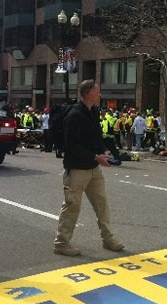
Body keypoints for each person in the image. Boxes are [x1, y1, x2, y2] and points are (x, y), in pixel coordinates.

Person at [54, 80, 124, 256]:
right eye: (97, 90)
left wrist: (103, 151)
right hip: (77, 168)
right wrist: (95, 157)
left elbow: (95, 137)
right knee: (72, 206)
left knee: (102, 204)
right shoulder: (74, 115)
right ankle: (62, 243)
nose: (100, 93)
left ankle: (108, 238)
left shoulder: (93, 111)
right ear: (88, 93)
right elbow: (71, 145)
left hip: (93, 168)